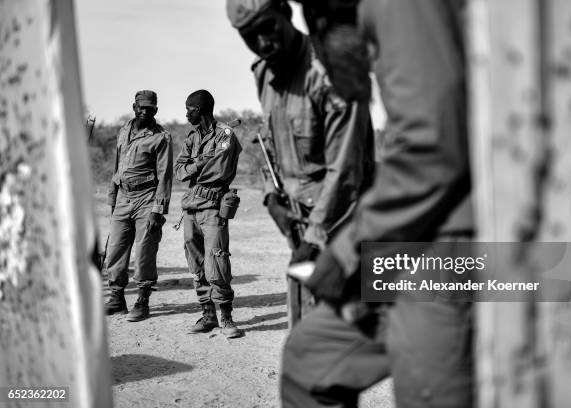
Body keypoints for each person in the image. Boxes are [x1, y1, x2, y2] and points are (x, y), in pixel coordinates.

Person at [278, 0, 475, 407]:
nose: (318, 64)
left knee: (429, 388)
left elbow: (431, 148)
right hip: (431, 233)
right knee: (310, 359)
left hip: (468, 244)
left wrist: (347, 253)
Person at [226, 0, 375, 322]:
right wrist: (270, 196)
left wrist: (314, 236)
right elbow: (270, 140)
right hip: (301, 227)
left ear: (286, 12)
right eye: (251, 36)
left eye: (268, 27)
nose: (263, 42)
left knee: (342, 334)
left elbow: (346, 170)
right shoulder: (264, 72)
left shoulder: (331, 72)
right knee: (305, 323)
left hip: (345, 228)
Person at [174, 90, 244, 339]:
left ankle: (226, 316)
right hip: (191, 208)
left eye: (189, 108)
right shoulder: (192, 136)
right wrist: (200, 163)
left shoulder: (225, 134)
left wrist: (198, 167)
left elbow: (219, 170)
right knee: (196, 263)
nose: (186, 113)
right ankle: (207, 314)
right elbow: (179, 171)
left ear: (200, 108)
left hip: (213, 207)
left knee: (217, 261)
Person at [104, 90, 173, 322]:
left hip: (147, 198)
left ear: (156, 109)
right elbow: (117, 165)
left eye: (150, 108)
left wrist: (158, 209)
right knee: (115, 249)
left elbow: (165, 175)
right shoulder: (124, 130)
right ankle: (116, 298)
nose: (145, 111)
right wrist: (113, 195)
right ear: (134, 107)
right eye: (141, 107)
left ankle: (142, 302)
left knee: (144, 252)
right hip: (123, 197)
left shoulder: (161, 136)